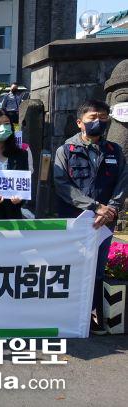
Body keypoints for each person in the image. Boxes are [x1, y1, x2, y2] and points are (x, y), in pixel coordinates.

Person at [53, 99, 128, 334]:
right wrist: (95, 207)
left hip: (103, 223)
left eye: (103, 117)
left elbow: (123, 182)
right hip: (75, 220)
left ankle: (92, 315)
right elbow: (62, 185)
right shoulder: (66, 150)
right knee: (71, 267)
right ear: (80, 122)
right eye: (93, 117)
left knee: (97, 269)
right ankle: (68, 314)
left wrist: (111, 209)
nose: (98, 122)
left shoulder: (114, 151)